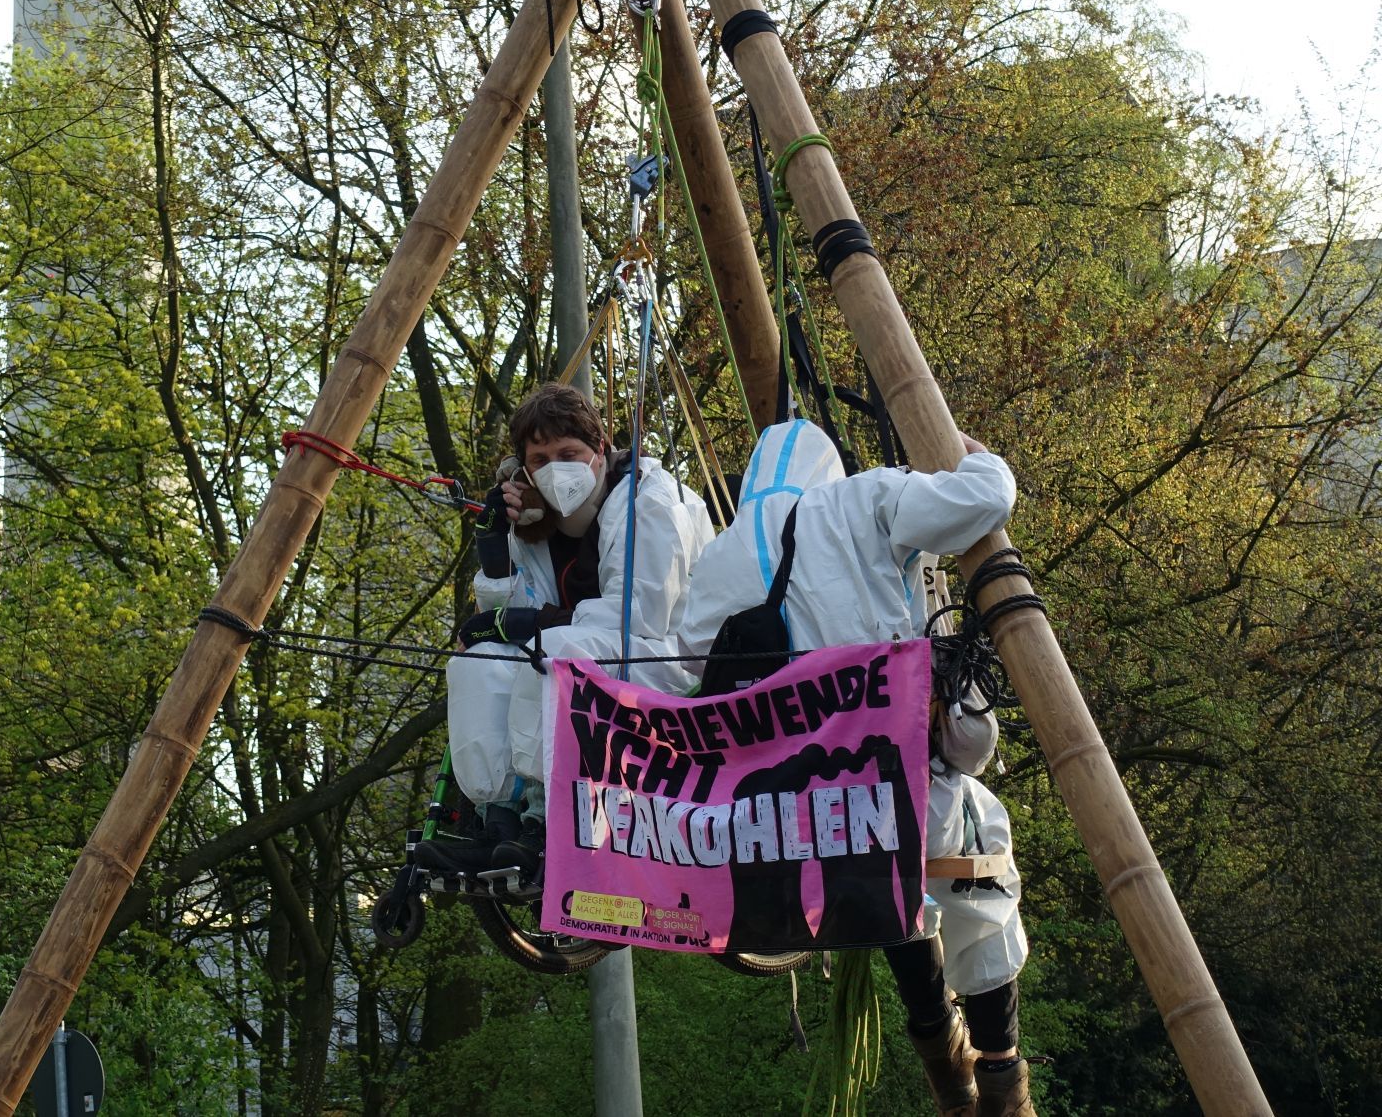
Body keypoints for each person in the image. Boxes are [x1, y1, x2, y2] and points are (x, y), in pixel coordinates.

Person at [677, 419, 1035, 1117]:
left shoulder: (718, 556)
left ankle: (942, 1055)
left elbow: (687, 675)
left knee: (897, 898)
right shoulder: (864, 498)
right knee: (976, 857)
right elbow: (984, 500)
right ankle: (998, 1070)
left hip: (769, 823)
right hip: (886, 799)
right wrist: (974, 455)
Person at [436, 383, 714, 879]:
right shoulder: (539, 523)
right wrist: (496, 552)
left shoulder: (652, 500)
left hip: (670, 664)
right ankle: (497, 818)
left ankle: (547, 817)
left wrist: (533, 624)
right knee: (480, 662)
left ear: (600, 450)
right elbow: (511, 625)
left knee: (553, 651)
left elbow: (642, 615)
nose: (555, 468)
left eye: (569, 453)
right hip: (579, 658)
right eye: (540, 458)